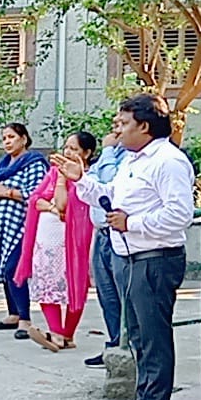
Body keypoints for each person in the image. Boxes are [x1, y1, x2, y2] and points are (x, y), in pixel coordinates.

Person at [54, 93, 195, 400]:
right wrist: (80, 180)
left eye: (123, 123)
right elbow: (109, 196)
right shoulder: (133, 159)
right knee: (138, 339)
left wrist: (132, 223)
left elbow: (180, 214)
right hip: (127, 258)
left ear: (144, 126)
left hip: (154, 260)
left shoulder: (168, 161)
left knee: (154, 340)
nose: (117, 130)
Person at [15, 132, 97, 353]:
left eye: (74, 149)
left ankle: (66, 334)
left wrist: (60, 184)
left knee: (74, 286)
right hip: (47, 238)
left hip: (72, 242)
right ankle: (57, 332)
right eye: (66, 147)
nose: (67, 152)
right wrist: (51, 206)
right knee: (46, 283)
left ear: (86, 153)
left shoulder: (87, 180)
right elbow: (36, 199)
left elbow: (63, 205)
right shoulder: (52, 172)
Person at [0, 122, 49, 339]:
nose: (7, 142)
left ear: (24, 139)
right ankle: (13, 314)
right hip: (0, 227)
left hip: (24, 226)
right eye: (4, 138)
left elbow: (38, 194)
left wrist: (7, 192)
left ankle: (25, 319)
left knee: (14, 268)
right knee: (5, 269)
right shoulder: (1, 166)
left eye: (11, 137)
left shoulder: (34, 163)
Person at [84, 127, 129, 368]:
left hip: (120, 233)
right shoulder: (111, 154)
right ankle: (114, 345)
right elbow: (92, 182)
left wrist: (109, 150)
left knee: (124, 295)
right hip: (101, 232)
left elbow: (111, 183)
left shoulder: (129, 155)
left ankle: (128, 347)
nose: (115, 128)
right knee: (107, 296)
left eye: (121, 122)